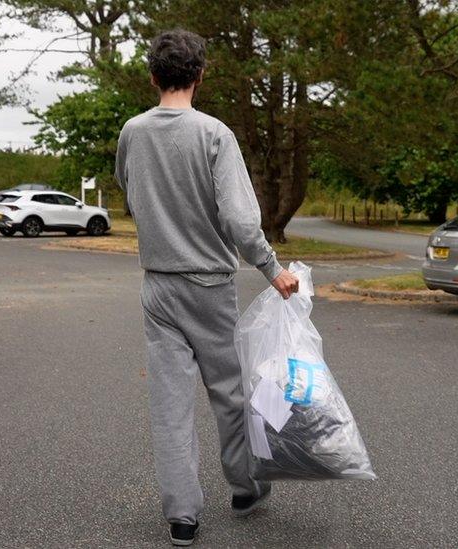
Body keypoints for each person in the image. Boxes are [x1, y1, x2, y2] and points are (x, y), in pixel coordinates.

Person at [115, 29, 300, 547]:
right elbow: (240, 219)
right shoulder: (215, 134)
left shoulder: (133, 131)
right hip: (211, 285)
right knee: (229, 392)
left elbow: (129, 189)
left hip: (158, 285)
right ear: (201, 75)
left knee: (170, 403)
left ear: (153, 76)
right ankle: (244, 488)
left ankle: (182, 517)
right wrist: (271, 267)